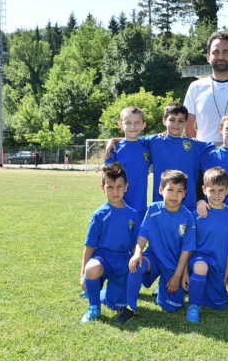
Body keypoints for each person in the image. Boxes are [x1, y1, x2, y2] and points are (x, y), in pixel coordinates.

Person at [115, 169, 196, 323]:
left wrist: (177, 276)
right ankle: (130, 307)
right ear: (160, 190)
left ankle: (162, 292)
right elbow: (143, 234)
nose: (174, 195)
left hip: (173, 264)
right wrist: (138, 252)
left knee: (172, 306)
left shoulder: (187, 217)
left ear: (184, 194)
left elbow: (187, 250)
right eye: (170, 189)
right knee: (137, 264)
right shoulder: (153, 209)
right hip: (154, 258)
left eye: (179, 191)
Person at [79, 162, 140, 323]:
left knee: (115, 304)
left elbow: (136, 245)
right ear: (103, 188)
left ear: (126, 187)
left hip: (123, 261)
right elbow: (89, 246)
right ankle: (94, 307)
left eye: (119, 186)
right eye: (110, 187)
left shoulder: (133, 215)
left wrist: (135, 262)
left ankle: (98, 292)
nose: (115, 191)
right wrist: (82, 275)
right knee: (91, 269)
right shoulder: (99, 214)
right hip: (103, 259)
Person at [183, 167, 228, 323]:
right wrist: (185, 272)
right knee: (201, 267)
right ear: (204, 190)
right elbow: (187, 246)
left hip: (219, 265)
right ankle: (194, 306)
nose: (216, 195)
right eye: (212, 190)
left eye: (221, 190)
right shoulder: (197, 215)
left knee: (219, 304)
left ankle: (201, 292)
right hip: (199, 260)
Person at [139, 103, 213, 211]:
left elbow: (222, 146)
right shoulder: (154, 141)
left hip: (189, 206)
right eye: (172, 120)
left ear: (186, 123)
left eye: (180, 121)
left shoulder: (194, 145)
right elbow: (131, 140)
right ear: (164, 121)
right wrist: (114, 140)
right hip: (162, 206)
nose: (176, 124)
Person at [105, 106, 152, 220]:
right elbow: (108, 177)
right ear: (121, 125)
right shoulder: (114, 149)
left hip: (140, 206)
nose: (133, 126)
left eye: (137, 123)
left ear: (143, 125)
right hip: (119, 205)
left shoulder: (147, 147)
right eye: (128, 123)